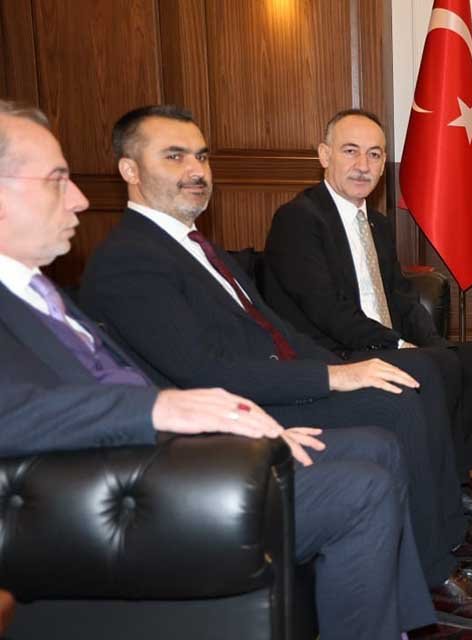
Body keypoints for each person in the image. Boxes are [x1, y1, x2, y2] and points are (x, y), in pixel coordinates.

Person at [77, 105, 472, 631]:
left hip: (278, 379)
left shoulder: (196, 245)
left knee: (405, 384)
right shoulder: (131, 259)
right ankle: (436, 572)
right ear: (130, 169)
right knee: (399, 402)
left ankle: (438, 543)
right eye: (174, 157)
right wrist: (335, 375)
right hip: (238, 410)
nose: (196, 170)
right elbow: (203, 372)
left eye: (201, 156)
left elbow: (276, 330)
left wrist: (344, 370)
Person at [0, 99, 436, 639]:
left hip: (167, 453)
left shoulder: (40, 292)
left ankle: (398, 623)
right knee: (362, 485)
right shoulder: (122, 261)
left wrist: (230, 422)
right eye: (57, 180)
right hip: (120, 492)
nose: (80, 198)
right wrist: (172, 411)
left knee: (377, 446)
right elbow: (24, 410)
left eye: (201, 156)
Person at [261, 109, 472, 524]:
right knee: (432, 366)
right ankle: (442, 502)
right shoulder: (299, 219)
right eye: (350, 151)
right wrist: (399, 344)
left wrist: (432, 344)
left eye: (375, 154)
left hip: (380, 341)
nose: (363, 165)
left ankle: (456, 482)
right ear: (324, 155)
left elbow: (401, 296)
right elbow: (325, 309)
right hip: (334, 353)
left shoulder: (375, 223)